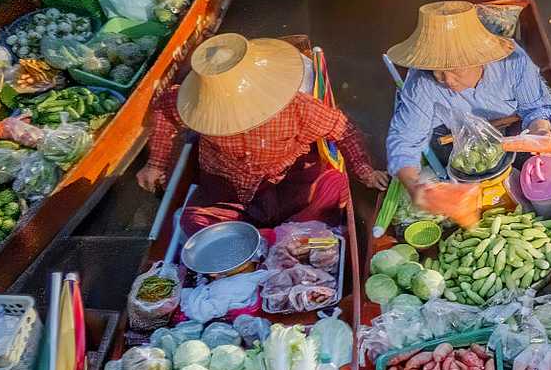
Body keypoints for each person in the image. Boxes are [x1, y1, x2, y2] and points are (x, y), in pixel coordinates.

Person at [137, 33, 386, 232]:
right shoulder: (193, 102)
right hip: (229, 189)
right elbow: (165, 111)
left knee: (334, 185)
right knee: (192, 221)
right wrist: (155, 163)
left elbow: (343, 130)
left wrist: (365, 171)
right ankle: (274, 236)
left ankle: (276, 234)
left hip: (285, 182)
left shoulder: (297, 108)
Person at [388, 1, 551, 210]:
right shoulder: (420, 81)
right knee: (460, 171)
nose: (447, 80)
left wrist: (540, 132)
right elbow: (405, 140)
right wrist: (414, 187)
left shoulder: (512, 61)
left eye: (455, 70)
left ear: (480, 58)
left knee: (533, 155)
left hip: (509, 127)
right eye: (438, 70)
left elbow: (535, 108)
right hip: (450, 135)